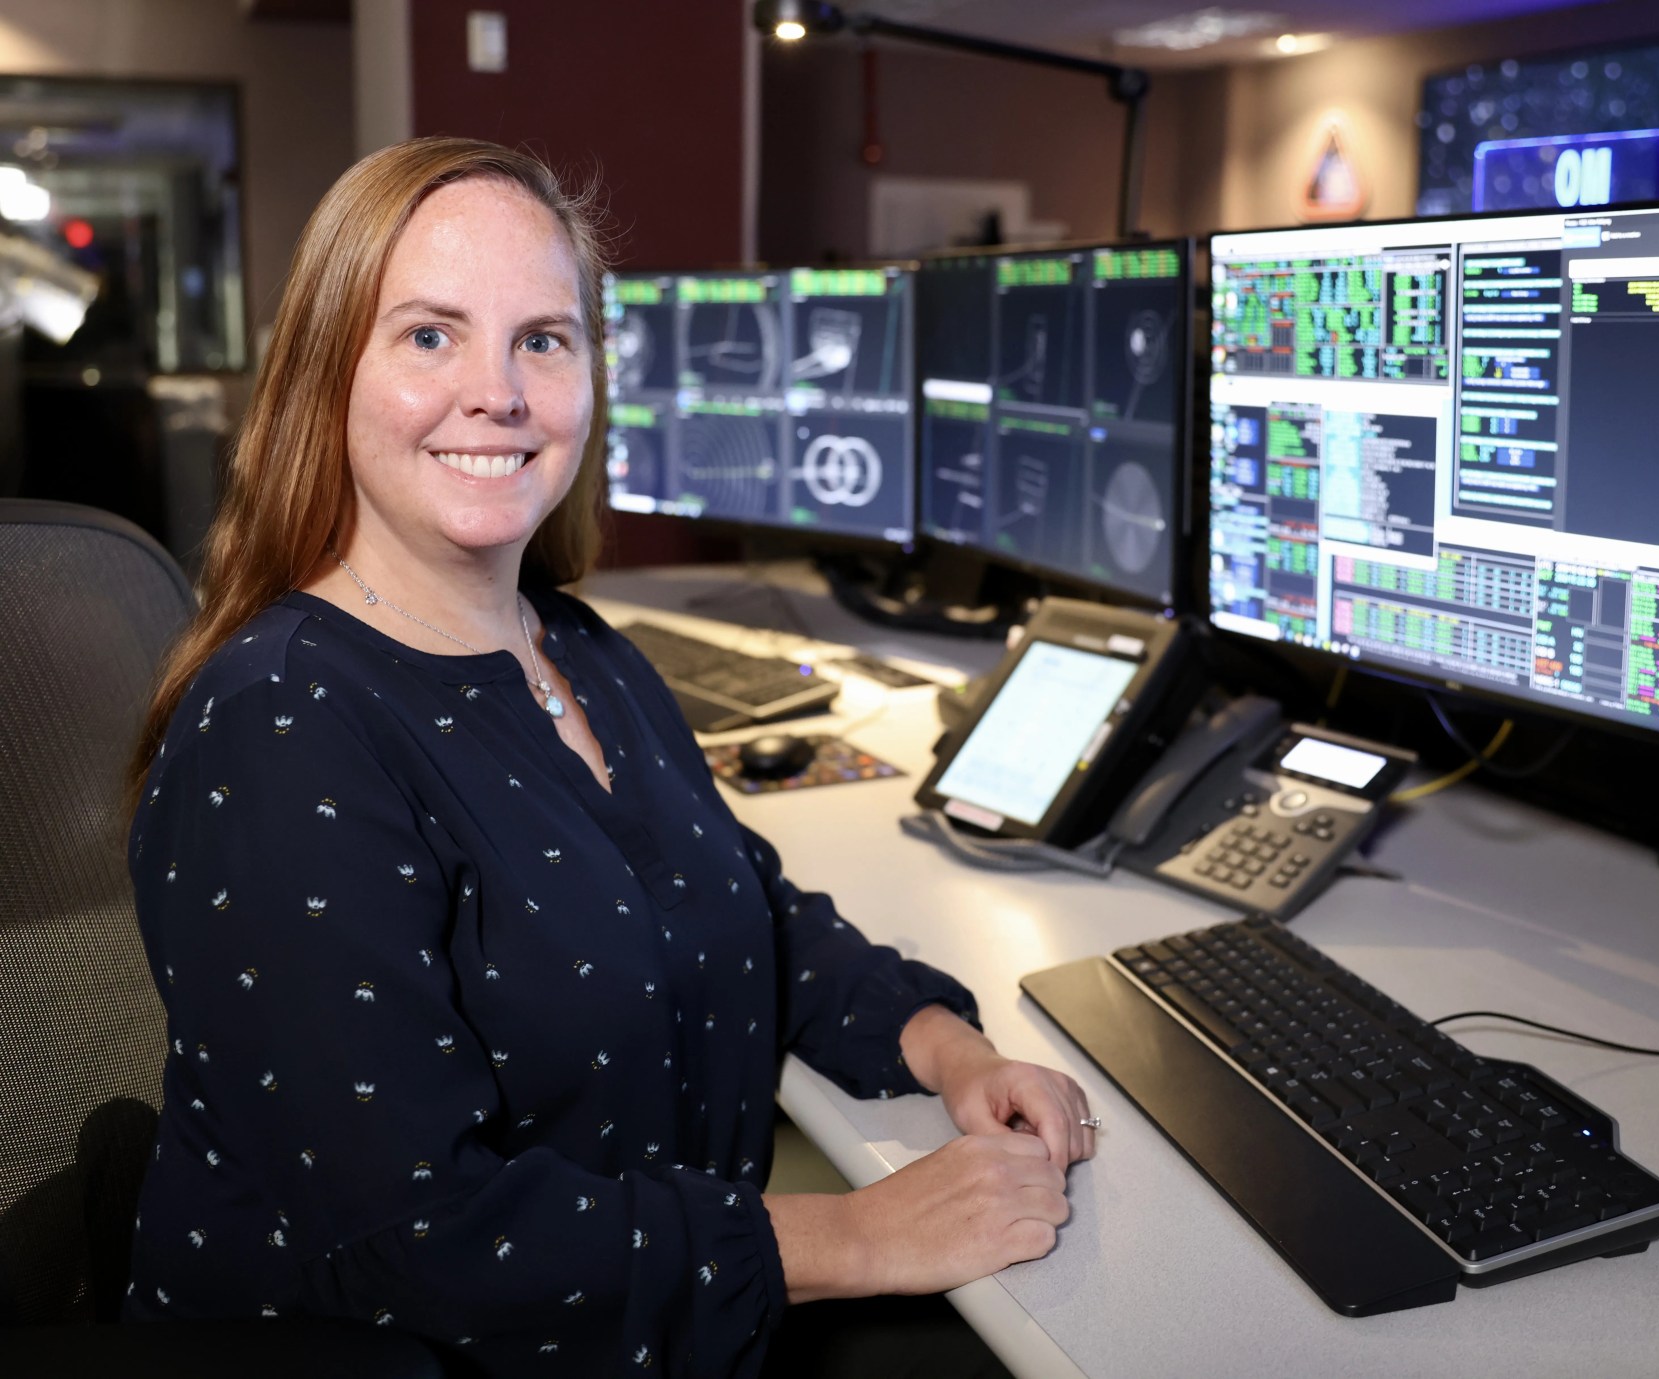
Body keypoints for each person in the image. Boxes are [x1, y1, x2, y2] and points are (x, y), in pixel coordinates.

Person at [122, 136, 1093, 1377]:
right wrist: (852, 1233)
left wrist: (945, 1046)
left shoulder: (576, 646)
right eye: (428, 335)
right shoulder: (281, 725)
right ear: (327, 374)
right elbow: (415, 1234)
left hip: (651, 1319)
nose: (499, 391)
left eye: (543, 338)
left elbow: (743, 907)